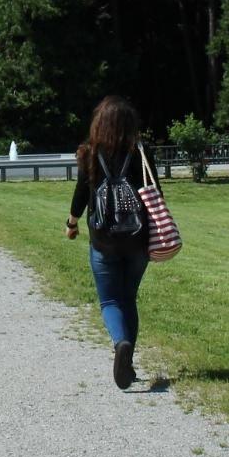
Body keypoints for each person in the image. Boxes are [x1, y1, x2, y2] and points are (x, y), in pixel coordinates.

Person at [65, 95, 153, 390]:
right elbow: (155, 194)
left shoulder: (89, 153)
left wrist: (72, 223)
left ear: (98, 124)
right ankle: (127, 363)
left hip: (103, 240)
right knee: (129, 298)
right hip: (138, 240)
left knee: (110, 300)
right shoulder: (141, 153)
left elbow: (81, 193)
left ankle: (121, 343)